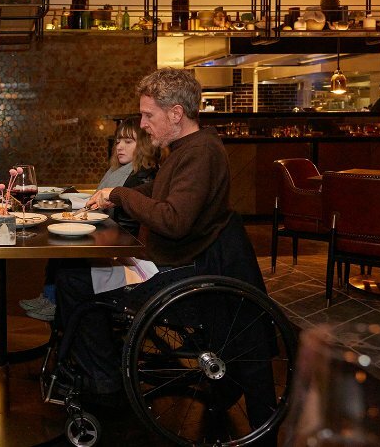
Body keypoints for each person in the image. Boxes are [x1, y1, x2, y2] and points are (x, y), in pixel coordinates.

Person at [56, 68, 276, 441]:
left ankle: (105, 382)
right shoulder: (188, 150)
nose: (143, 124)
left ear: (176, 114)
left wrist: (119, 195)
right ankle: (101, 377)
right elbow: (155, 189)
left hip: (192, 273)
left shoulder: (200, 153)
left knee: (74, 282)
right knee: (74, 274)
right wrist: (115, 194)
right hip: (190, 262)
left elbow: (173, 220)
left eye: (148, 116)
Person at [20, 117, 160, 321]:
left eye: (128, 142)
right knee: (61, 244)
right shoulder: (119, 171)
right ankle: (50, 298)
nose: (119, 146)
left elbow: (126, 225)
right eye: (118, 141)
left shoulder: (141, 177)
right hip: (110, 236)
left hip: (127, 254)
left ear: (144, 145)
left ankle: (54, 303)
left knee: (66, 250)